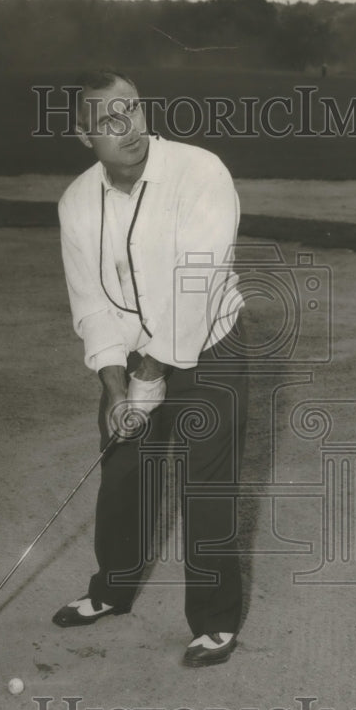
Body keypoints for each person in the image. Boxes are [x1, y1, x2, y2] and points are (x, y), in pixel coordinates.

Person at [52, 68, 248, 667]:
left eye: (130, 110)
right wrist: (116, 387)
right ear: (85, 136)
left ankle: (215, 621)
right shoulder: (78, 201)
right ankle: (113, 589)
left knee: (206, 484)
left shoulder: (200, 172)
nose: (126, 127)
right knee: (122, 469)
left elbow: (195, 286)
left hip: (212, 345)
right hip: (135, 359)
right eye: (107, 120)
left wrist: (149, 376)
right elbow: (91, 302)